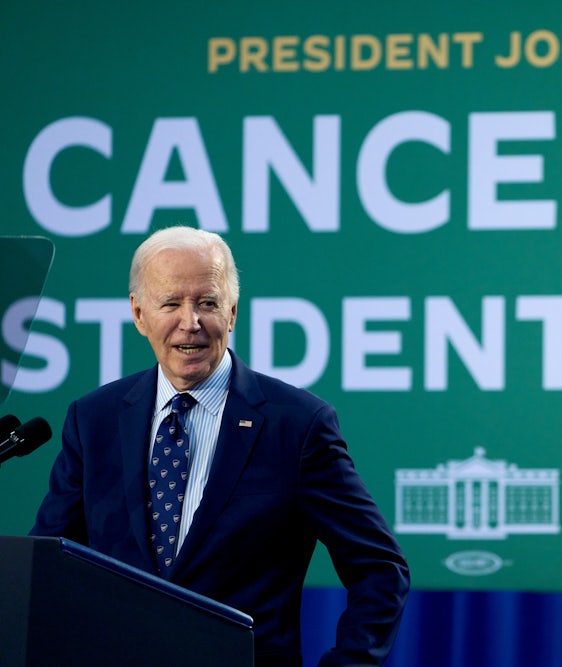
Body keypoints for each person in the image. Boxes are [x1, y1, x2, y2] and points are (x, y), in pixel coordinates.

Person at [30, 225, 409, 667]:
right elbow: (45, 567)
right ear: (139, 313)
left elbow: (381, 570)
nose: (190, 322)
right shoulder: (94, 420)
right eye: (171, 303)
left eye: (207, 303)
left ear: (231, 313)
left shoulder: (297, 426)